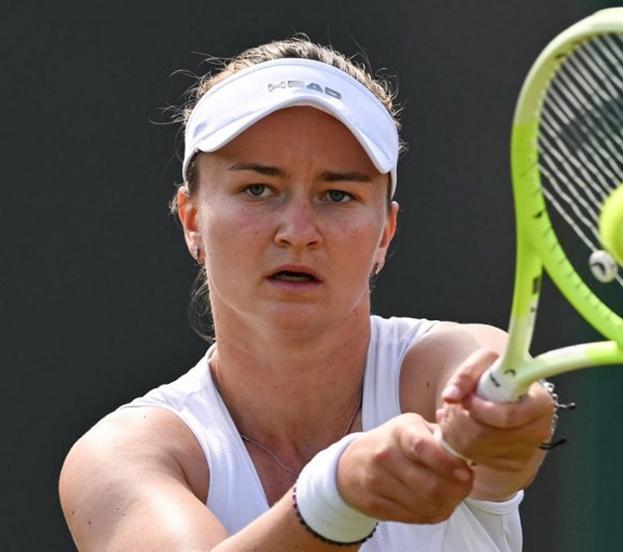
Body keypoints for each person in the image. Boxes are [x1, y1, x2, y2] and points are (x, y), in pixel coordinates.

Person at [59, 38, 557, 551]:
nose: (298, 231)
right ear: (192, 220)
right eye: (257, 189)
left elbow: (496, 398)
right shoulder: (126, 454)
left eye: (338, 195)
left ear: (384, 233)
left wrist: (506, 424)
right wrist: (335, 495)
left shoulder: (440, 367)